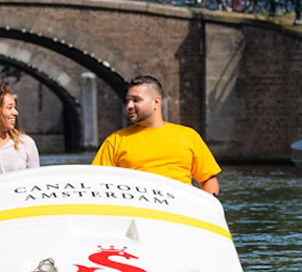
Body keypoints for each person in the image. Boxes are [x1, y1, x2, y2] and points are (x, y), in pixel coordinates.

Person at [91, 75, 221, 196]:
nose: (129, 106)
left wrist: (211, 203)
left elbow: (208, 179)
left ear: (156, 102)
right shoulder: (115, 141)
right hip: (136, 206)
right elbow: (96, 182)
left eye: (136, 100)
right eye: (128, 101)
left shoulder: (188, 136)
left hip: (181, 205)